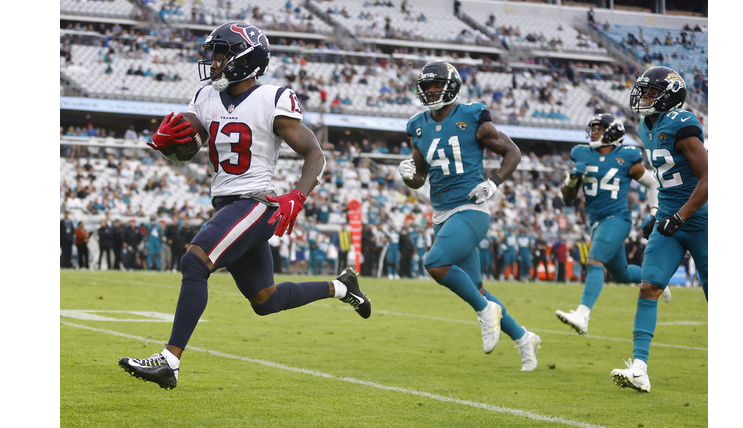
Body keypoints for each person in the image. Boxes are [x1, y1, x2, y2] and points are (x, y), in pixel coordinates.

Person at [119, 22, 371, 390]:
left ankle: (169, 362)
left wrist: (297, 195)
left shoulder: (273, 98)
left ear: (244, 58)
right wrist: (168, 142)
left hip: (255, 202)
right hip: (227, 205)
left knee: (195, 260)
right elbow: (188, 150)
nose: (213, 61)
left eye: (221, 53)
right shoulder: (205, 97)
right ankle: (342, 287)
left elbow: (315, 154)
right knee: (265, 300)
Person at [399, 61, 540, 371]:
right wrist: (407, 175)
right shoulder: (418, 126)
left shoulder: (472, 116)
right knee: (477, 290)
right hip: (442, 213)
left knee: (435, 263)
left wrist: (494, 183)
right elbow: (420, 177)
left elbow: (512, 152)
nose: (431, 91)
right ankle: (523, 338)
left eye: (437, 85)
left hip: (471, 209)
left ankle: (486, 312)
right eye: (427, 87)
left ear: (452, 87)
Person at [610, 66, 707, 393]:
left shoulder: (683, 124)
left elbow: (709, 178)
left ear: (670, 96)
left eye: (652, 93)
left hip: (701, 220)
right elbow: (667, 180)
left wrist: (679, 216)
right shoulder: (644, 125)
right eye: (644, 91)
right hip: (670, 219)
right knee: (649, 286)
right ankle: (639, 369)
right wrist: (659, 213)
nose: (644, 97)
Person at [555, 113, 664, 336]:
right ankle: (657, 279)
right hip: (595, 223)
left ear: (613, 133)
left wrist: (655, 212)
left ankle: (583, 315)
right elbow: (567, 198)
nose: (594, 131)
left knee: (594, 261)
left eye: (600, 128)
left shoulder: (627, 157)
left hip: (617, 219)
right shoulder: (582, 153)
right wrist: (573, 178)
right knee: (621, 274)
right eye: (593, 127)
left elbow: (653, 184)